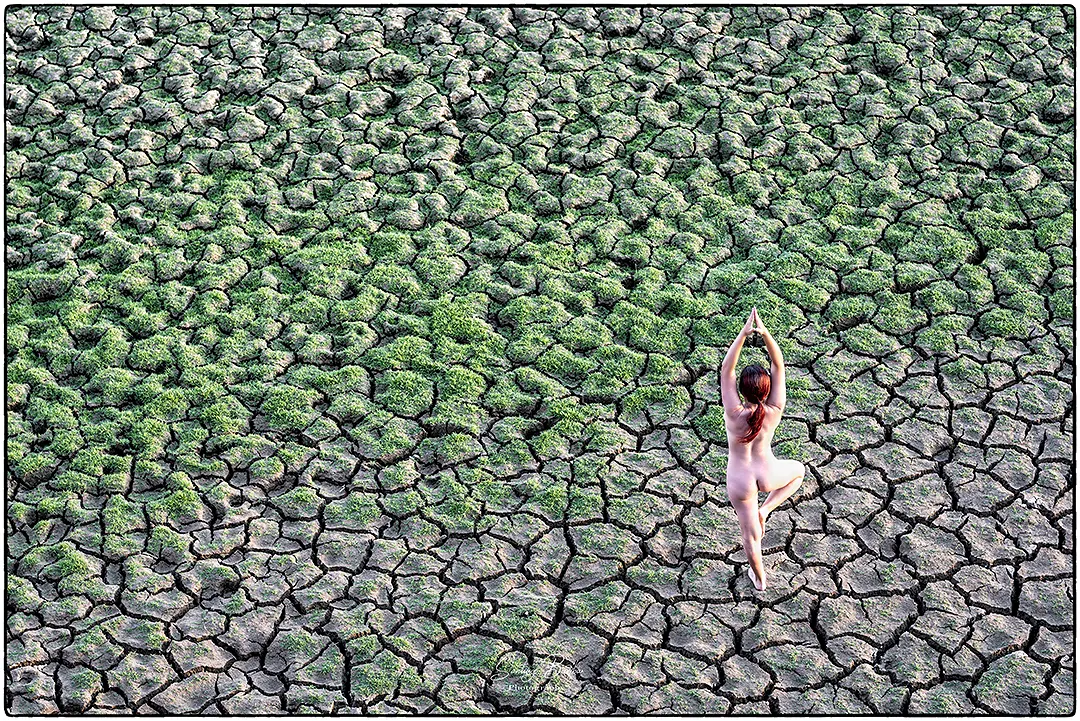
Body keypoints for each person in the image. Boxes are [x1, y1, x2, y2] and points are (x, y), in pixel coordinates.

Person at [720, 307, 805, 592]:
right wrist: (765, 334)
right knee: (799, 472)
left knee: (750, 536)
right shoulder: (774, 409)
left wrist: (743, 335)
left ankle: (759, 579)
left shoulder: (734, 413)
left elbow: (727, 370)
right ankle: (766, 509)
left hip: (740, 480)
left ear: (742, 390)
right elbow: (778, 366)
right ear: (767, 390)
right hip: (768, 474)